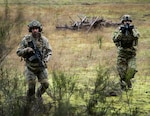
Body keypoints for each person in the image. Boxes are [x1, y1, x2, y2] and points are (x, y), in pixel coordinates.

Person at [16, 20, 52, 103]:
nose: (35, 30)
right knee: (31, 87)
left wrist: (46, 59)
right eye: (33, 29)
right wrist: (27, 50)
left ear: (39, 29)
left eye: (36, 28)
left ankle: (38, 95)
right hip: (30, 67)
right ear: (30, 30)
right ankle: (29, 103)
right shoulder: (26, 39)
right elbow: (18, 52)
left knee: (45, 84)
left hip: (41, 66)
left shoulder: (44, 40)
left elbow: (49, 51)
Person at [112, 15, 140, 90]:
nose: (127, 23)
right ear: (122, 22)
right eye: (125, 21)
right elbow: (115, 39)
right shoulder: (119, 30)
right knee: (122, 71)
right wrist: (122, 32)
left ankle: (127, 81)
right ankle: (123, 84)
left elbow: (137, 36)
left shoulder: (134, 29)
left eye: (128, 21)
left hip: (131, 53)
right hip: (122, 53)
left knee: (132, 69)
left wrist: (131, 30)